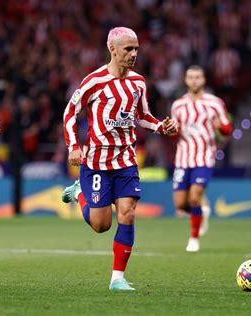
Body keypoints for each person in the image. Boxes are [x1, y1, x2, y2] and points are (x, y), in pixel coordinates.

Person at [61, 27, 178, 291]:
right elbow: (70, 113)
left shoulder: (138, 82)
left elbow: (142, 116)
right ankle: (81, 192)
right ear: (112, 49)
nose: (134, 53)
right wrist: (73, 146)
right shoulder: (94, 81)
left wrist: (161, 126)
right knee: (101, 225)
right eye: (128, 49)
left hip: (126, 160)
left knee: (128, 213)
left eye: (136, 48)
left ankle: (117, 278)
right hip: (97, 164)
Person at [171, 65, 232, 252]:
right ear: (186, 80)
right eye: (191, 77)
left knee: (195, 197)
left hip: (204, 156)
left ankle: (194, 239)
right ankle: (200, 213)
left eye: (198, 77)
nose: (194, 80)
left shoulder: (214, 103)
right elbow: (175, 131)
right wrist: (172, 130)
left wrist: (219, 127)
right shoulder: (178, 105)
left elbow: (227, 129)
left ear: (204, 79)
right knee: (181, 204)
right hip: (183, 158)